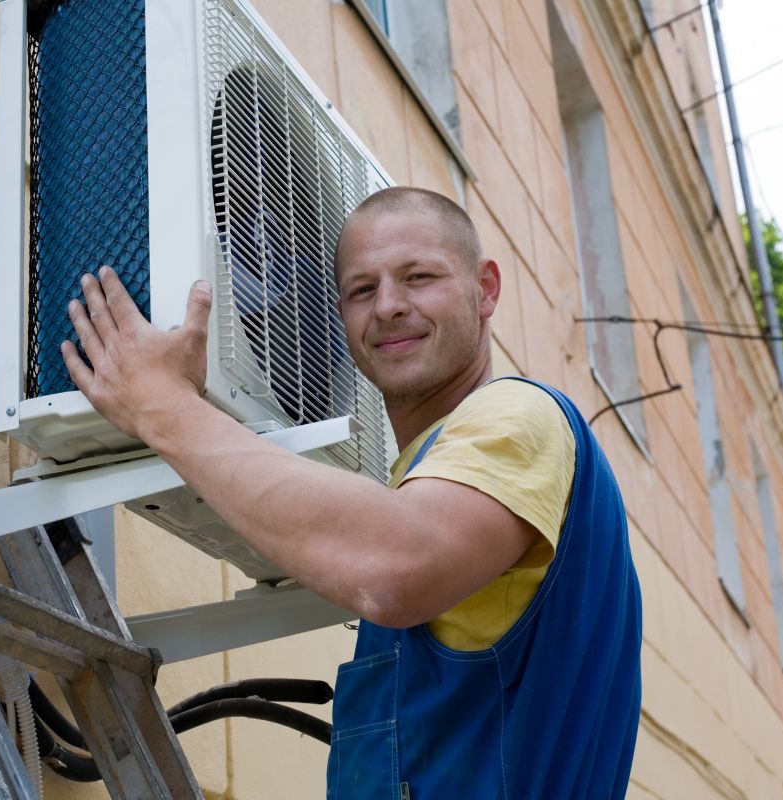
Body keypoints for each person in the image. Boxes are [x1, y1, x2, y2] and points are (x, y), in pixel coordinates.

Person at [61, 186, 642, 798]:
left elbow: (397, 566)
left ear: (486, 288)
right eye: (362, 290)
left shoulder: (521, 415)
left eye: (418, 277)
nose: (389, 306)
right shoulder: (421, 480)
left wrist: (166, 408)